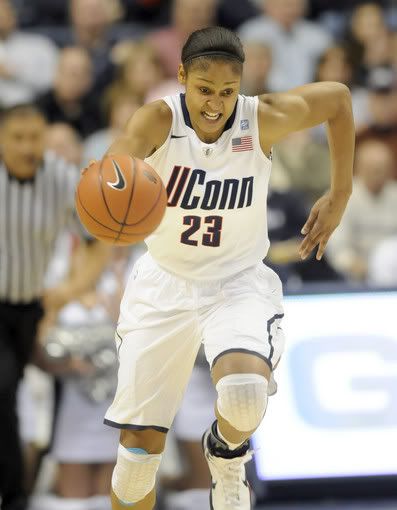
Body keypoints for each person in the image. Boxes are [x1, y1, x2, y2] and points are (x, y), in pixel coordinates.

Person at [98, 26, 354, 510]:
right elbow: (113, 170)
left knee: (243, 395)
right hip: (164, 283)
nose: (215, 104)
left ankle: (228, 453)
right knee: (134, 464)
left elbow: (338, 100)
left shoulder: (262, 119)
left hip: (236, 281)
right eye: (203, 90)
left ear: (242, 86)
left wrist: (340, 193)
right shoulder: (156, 120)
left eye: (227, 92)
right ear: (181, 78)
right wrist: (112, 197)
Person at [0, 103, 110, 510]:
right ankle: (14, 497)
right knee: (4, 390)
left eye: (36, 137)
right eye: (18, 138)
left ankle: (28, 485)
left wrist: (72, 288)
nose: (29, 146)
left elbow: (99, 240)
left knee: (49, 393)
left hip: (35, 306)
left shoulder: (62, 179)